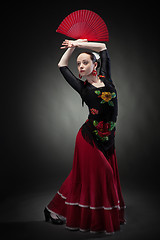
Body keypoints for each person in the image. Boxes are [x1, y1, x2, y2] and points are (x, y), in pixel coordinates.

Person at [44, 39, 126, 234]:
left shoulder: (107, 79)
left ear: (95, 64)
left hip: (108, 139)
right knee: (104, 173)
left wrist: (80, 43)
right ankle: (98, 220)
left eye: (84, 62)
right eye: (79, 64)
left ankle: (51, 209)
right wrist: (71, 49)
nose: (80, 66)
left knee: (80, 177)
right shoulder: (83, 88)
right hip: (88, 139)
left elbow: (104, 47)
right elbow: (62, 66)